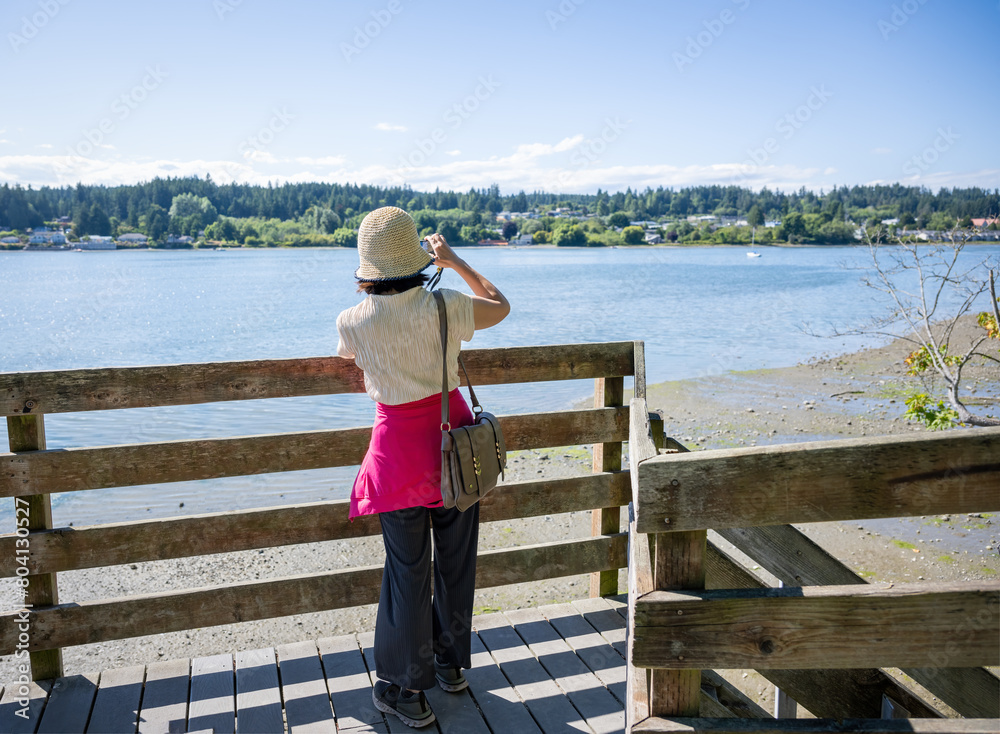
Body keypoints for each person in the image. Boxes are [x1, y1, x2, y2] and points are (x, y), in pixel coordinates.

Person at [336, 206, 509, 728]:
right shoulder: (447, 306)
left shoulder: (351, 321)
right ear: (417, 258)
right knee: (456, 561)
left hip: (398, 457)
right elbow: (499, 306)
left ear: (368, 269)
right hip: (454, 447)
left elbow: (351, 357)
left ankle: (406, 691)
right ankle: (450, 665)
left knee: (407, 575)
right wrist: (453, 260)